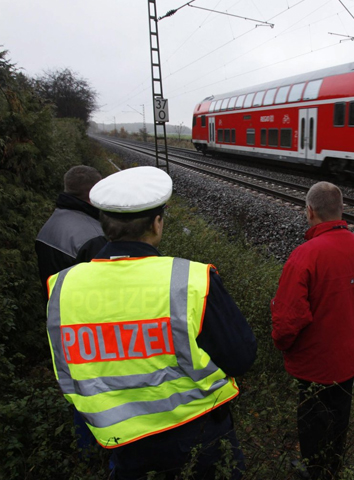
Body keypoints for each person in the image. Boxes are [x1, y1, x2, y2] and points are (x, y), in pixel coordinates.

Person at [45, 166, 257, 479]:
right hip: (197, 435)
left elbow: (67, 368)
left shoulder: (61, 286)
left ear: (103, 224)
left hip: (120, 441)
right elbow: (240, 357)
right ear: (157, 223)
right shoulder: (191, 279)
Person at [271, 181, 354, 479]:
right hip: (348, 359)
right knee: (339, 416)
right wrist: (348, 321)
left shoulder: (304, 257)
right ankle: (332, 467)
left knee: (312, 422)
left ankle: (314, 470)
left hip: (313, 363)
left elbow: (287, 320)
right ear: (341, 210)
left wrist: (282, 345)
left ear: (310, 211)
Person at [36, 165, 107, 452]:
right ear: (92, 194)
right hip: (89, 329)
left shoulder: (50, 225)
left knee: (79, 390)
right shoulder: (91, 236)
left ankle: (85, 451)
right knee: (98, 392)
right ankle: (101, 449)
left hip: (61, 322)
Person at [36, 165, 107, 300]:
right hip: (81, 315)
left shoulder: (51, 224)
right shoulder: (94, 237)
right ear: (95, 192)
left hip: (55, 311)